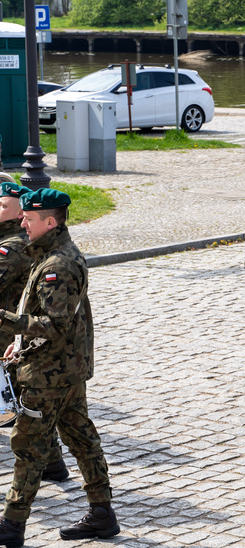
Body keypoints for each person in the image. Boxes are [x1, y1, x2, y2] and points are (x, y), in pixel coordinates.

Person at [0, 188, 119, 546]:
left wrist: (6, 320)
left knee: (28, 447)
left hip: (50, 374)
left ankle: (11, 527)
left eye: (29, 218)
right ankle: (102, 514)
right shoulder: (50, 253)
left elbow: (54, 325)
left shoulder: (58, 265)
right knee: (82, 439)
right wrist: (18, 342)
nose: (22, 221)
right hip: (65, 368)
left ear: (50, 222)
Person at [0, 182, 69, 484]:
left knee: (28, 410)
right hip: (17, 336)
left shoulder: (13, 245)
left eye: (2, 205)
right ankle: (53, 463)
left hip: (11, 335)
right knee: (30, 410)